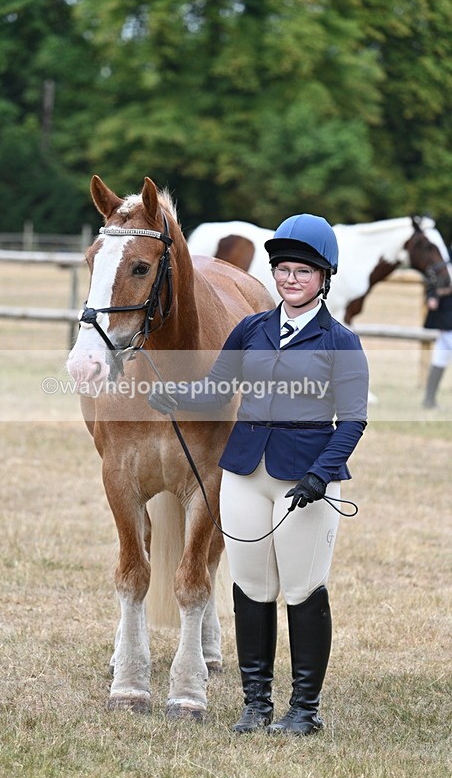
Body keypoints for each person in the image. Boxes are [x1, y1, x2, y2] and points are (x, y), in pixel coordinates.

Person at [148, 214, 369, 736]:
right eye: (284, 269)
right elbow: (219, 390)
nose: (291, 279)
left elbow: (353, 419)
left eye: (303, 271)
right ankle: (256, 704)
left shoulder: (341, 342)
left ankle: (304, 710)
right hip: (246, 473)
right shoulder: (252, 329)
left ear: (324, 278)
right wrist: (177, 398)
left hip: (306, 480)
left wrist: (321, 474)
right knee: (250, 586)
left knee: (302, 589)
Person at [422, 277, 452, 409]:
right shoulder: (443, 266)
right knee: (438, 361)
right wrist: (432, 297)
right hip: (444, 324)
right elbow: (432, 286)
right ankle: (429, 400)